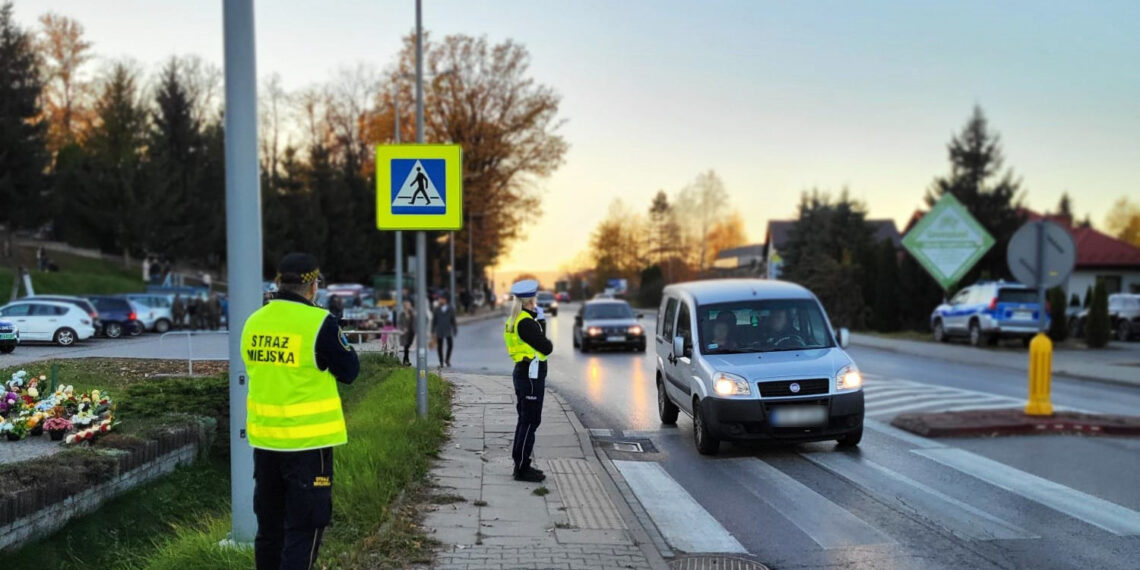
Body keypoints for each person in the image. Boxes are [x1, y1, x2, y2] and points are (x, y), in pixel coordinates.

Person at [243, 252, 359, 570]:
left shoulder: (254, 322)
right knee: (304, 528)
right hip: (308, 446)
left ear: (279, 284)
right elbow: (350, 371)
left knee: (269, 529)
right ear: (312, 287)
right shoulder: (319, 323)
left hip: (266, 444)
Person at [503, 279, 553, 483]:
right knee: (530, 421)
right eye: (535, 298)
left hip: (524, 373)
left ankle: (521, 463)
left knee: (525, 420)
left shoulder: (516, 319)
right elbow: (546, 347)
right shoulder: (526, 322)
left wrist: (538, 322)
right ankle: (522, 468)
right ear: (530, 300)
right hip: (530, 377)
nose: (537, 301)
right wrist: (541, 322)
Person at [432, 294, 457, 367]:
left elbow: (453, 319)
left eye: (441, 299)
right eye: (440, 299)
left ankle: (447, 359)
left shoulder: (450, 309)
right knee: (439, 346)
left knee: (450, 345)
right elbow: (434, 320)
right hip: (439, 329)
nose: (440, 300)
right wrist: (432, 330)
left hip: (448, 329)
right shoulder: (437, 309)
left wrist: (454, 328)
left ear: (445, 300)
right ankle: (441, 361)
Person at [398, 299, 416, 366]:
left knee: (408, 346)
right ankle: (406, 361)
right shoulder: (402, 314)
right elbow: (399, 323)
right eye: (407, 305)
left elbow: (415, 321)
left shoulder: (412, 313)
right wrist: (403, 328)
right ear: (404, 306)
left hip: (411, 332)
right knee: (406, 346)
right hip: (404, 333)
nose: (408, 306)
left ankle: (405, 361)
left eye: (409, 305)